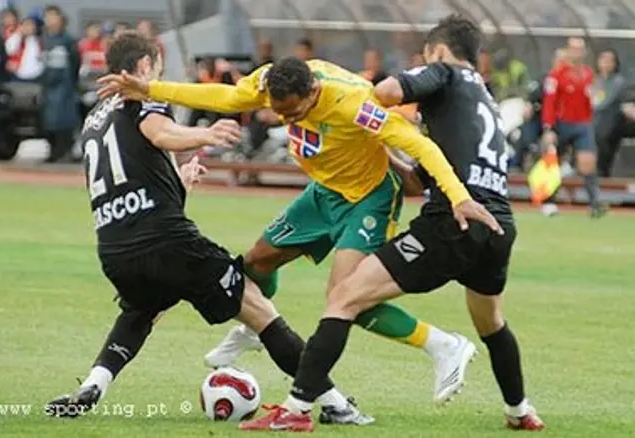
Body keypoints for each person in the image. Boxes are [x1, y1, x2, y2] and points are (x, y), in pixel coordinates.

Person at [97, 55, 504, 410]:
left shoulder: (355, 103)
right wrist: (150, 88)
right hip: (323, 192)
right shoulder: (272, 81)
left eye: (292, 113)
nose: (287, 120)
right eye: (280, 113)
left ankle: (443, 345)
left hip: (367, 199)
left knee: (345, 299)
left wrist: (458, 197)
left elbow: (420, 146)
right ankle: (256, 328)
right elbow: (225, 97)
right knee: (256, 260)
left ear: (312, 92)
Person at [238, 15, 545, 433]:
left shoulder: (444, 71)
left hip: (451, 220)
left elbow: (384, 92)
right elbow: (418, 180)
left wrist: (367, 115)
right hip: (497, 223)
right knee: (492, 321)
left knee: (344, 298)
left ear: (438, 51)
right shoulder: (482, 100)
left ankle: (296, 408)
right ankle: (519, 410)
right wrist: (388, 149)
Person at [45, 32, 364, 423]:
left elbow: (130, 183)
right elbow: (161, 133)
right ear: (144, 67)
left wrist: (181, 182)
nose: (158, 75)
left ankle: (92, 385)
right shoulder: (144, 94)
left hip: (114, 250)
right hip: (165, 240)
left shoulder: (96, 117)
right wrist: (206, 134)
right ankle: (334, 403)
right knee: (258, 307)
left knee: (141, 311)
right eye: (157, 67)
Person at [542, 37, 606, 217]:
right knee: (554, 162)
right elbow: (549, 102)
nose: (577, 53)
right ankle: (548, 201)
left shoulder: (587, 74)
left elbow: (592, 100)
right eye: (574, 49)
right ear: (568, 50)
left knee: (588, 161)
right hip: (562, 124)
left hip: (582, 124)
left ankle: (595, 202)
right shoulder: (556, 75)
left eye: (581, 49)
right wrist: (549, 128)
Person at [41, 5, 80, 162]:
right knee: (48, 120)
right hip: (48, 85)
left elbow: (75, 62)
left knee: (64, 118)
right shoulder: (43, 39)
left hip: (64, 85)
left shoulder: (68, 40)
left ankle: (65, 151)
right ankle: (53, 151)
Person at [592, 49, 626, 177]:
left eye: (609, 60)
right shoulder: (593, 79)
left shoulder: (618, 81)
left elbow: (603, 102)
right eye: (603, 59)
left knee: (601, 134)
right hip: (592, 120)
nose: (605, 63)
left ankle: (602, 171)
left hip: (610, 122)